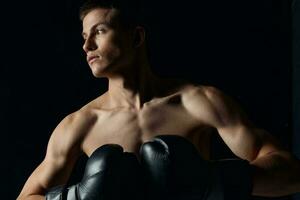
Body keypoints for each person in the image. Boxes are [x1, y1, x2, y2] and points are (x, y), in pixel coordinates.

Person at [17, 0, 300, 199]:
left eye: (99, 31)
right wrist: (76, 198)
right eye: (84, 36)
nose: (86, 45)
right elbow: (28, 197)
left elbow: (290, 174)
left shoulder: (198, 102)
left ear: (137, 37)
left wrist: (212, 181)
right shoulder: (81, 124)